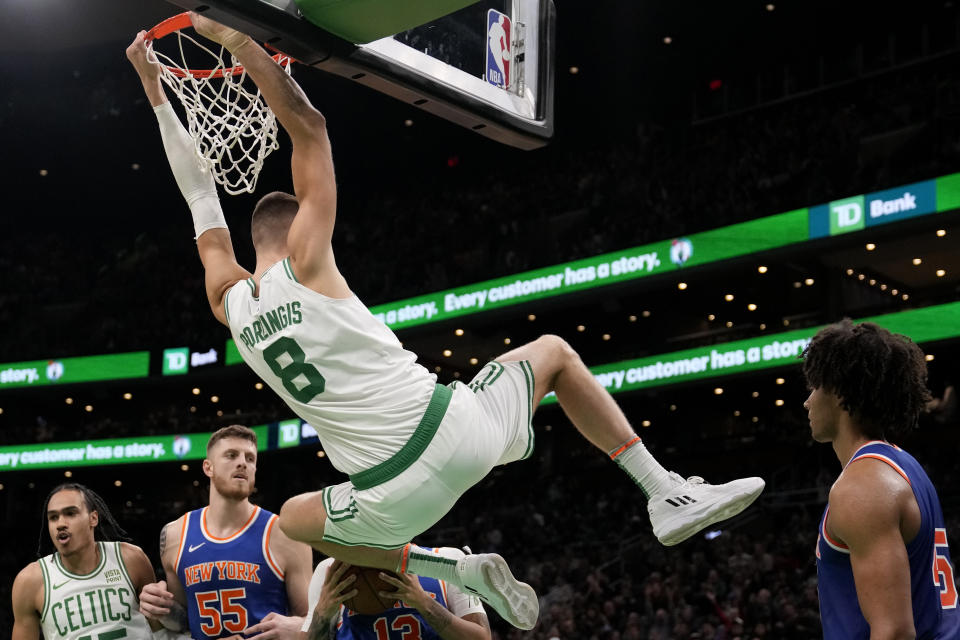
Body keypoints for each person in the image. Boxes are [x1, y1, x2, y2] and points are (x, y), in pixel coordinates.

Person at [127, 15, 764, 630]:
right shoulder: (307, 260)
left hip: (389, 497)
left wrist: (156, 91)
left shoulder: (229, 305)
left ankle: (452, 568)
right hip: (456, 429)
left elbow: (199, 194)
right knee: (554, 354)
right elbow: (310, 129)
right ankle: (662, 491)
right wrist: (239, 37)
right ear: (300, 225)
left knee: (292, 518)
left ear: (249, 239)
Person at [802, 319, 960, 639]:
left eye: (815, 386)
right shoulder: (902, 466)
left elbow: (895, 632)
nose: (807, 401)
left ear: (838, 392)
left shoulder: (865, 486)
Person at [136, 425, 313, 639]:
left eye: (250, 458)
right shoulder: (174, 535)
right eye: (231, 455)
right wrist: (160, 608)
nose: (242, 463)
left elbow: (314, 621)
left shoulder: (285, 533)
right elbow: (183, 622)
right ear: (208, 468)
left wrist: (299, 627)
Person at [11, 483, 162, 640]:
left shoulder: (131, 559)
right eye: (53, 517)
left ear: (93, 518)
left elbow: (160, 630)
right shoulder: (30, 581)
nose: (60, 523)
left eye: (70, 513)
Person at [301, 557, 490, 640]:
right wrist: (323, 615)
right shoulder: (332, 570)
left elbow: (482, 638)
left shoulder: (449, 559)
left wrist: (425, 603)